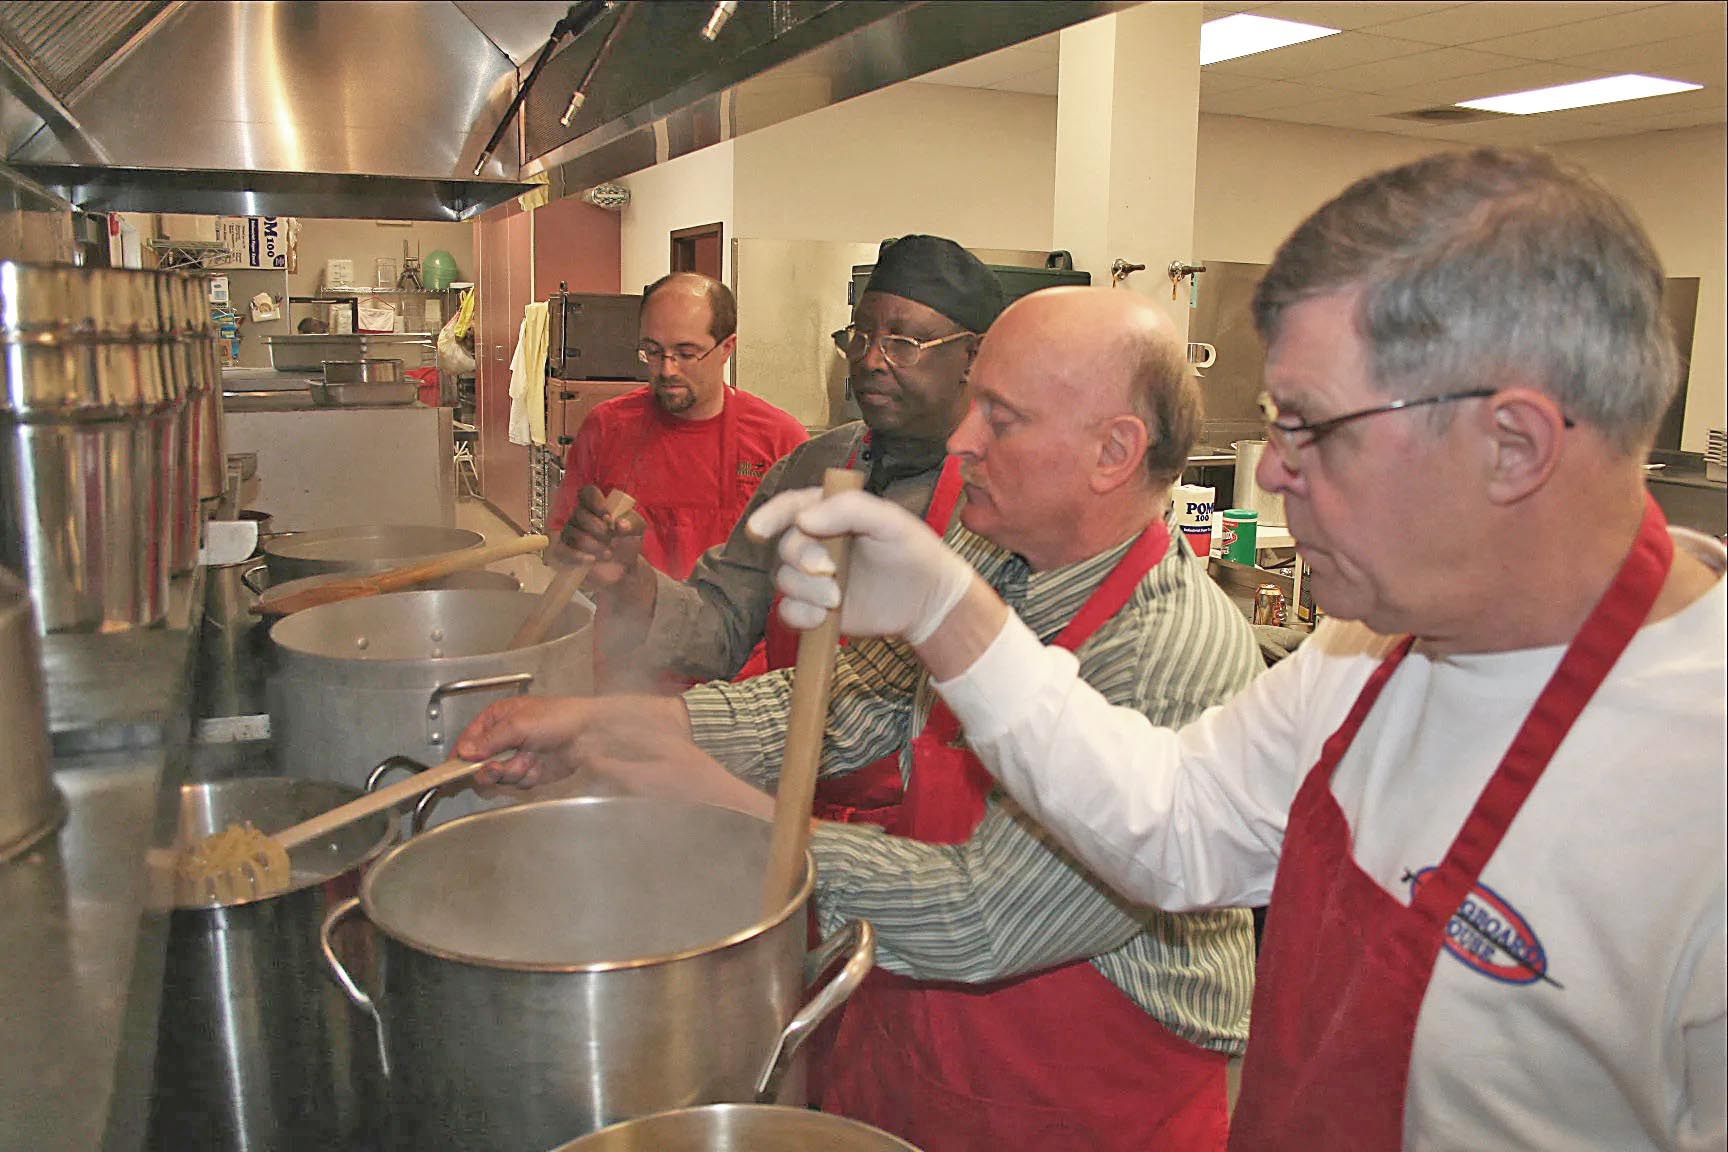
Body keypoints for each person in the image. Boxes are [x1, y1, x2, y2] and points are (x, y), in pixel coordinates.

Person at [750, 149, 1727, 1151]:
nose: (1275, 470)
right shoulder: (1369, 649)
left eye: (1313, 429)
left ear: (1512, 446)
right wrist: (949, 610)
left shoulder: (1697, 783)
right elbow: (1173, 825)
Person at [459, 286, 1263, 1150]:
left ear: (1114, 452)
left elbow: (984, 916)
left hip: (1082, 1104)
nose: (961, 441)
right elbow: (849, 703)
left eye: (1000, 416)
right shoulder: (988, 552)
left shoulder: (1165, 652)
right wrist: (607, 724)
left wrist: (739, 818)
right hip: (915, 1048)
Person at [545, 272, 806, 585]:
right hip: (627, 629)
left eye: (686, 354)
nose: (667, 370)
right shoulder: (606, 426)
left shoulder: (780, 441)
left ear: (727, 348)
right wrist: (582, 552)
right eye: (653, 351)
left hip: (737, 633)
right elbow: (558, 543)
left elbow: (807, 566)